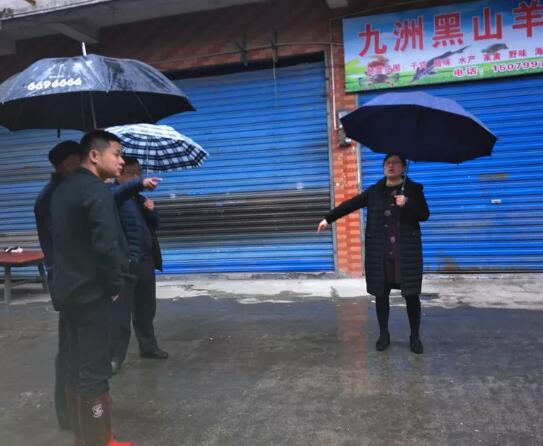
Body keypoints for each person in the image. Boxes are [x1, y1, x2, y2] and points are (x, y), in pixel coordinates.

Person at [50, 129, 135, 446]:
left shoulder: (63, 189)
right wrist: (114, 286)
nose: (121, 160)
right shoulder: (96, 191)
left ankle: (83, 437)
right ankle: (100, 440)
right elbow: (106, 245)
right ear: (95, 155)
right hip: (93, 295)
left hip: (69, 292)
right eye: (117, 153)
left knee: (76, 366)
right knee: (95, 370)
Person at [318, 154, 429, 354]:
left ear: (403, 167)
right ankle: (384, 335)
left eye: (395, 162)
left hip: (405, 253)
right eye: (387, 163)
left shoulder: (413, 189)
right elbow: (351, 204)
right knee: (381, 294)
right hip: (381, 252)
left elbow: (424, 215)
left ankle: (415, 337)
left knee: (411, 295)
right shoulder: (375, 191)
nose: (391, 166)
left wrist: (407, 203)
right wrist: (328, 218)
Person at [34, 140, 81, 430]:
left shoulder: (67, 191)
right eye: (78, 160)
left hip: (75, 280)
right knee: (70, 351)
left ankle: (76, 411)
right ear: (65, 164)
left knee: (76, 349)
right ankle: (68, 415)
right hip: (69, 283)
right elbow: (64, 242)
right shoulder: (51, 197)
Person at [109, 156, 167, 374]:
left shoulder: (138, 199)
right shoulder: (111, 195)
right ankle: (115, 357)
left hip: (145, 261)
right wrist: (138, 184)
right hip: (126, 263)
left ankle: (148, 347)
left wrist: (152, 211)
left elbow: (154, 225)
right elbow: (115, 195)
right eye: (132, 172)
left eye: (138, 172)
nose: (137, 176)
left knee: (146, 309)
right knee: (121, 313)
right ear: (121, 173)